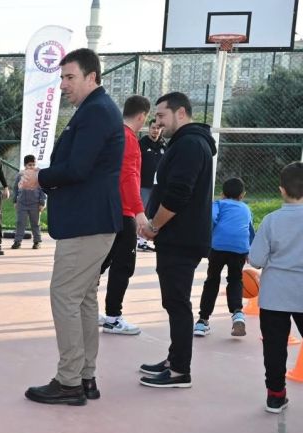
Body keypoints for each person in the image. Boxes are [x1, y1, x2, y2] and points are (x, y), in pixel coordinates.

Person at [23, 48, 124, 406]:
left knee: (65, 295)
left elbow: (78, 168)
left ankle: (69, 382)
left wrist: (39, 178)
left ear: (91, 77)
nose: (63, 84)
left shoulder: (96, 111)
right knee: (82, 298)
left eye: (70, 77)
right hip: (92, 221)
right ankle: (84, 377)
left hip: (87, 224)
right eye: (61, 78)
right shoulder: (97, 109)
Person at [138, 92, 217, 389]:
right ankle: (175, 360)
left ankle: (180, 371)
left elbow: (179, 193)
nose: (157, 121)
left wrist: (154, 226)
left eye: (161, 115)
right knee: (174, 301)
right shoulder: (186, 143)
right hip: (178, 237)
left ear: (180, 112)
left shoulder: (190, 144)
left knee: (178, 302)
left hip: (181, 238)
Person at [249, 162, 303, 413]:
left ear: (281, 190)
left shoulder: (271, 221)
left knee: (274, 347)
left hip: (274, 295)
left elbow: (256, 259)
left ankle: (275, 395)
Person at [98, 95, 151, 336]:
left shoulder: (113, 135)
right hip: (123, 211)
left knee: (101, 262)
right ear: (142, 116)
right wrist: (139, 212)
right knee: (123, 265)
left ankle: (87, 308)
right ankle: (113, 317)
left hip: (108, 209)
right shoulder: (128, 139)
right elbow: (128, 176)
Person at [194, 177, 255, 338]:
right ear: (242, 195)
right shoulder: (246, 208)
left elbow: (211, 219)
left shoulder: (218, 204)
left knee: (212, 279)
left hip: (218, 247)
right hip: (240, 248)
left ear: (222, 194)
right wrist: (250, 250)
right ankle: (237, 313)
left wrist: (206, 238)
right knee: (235, 279)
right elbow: (250, 230)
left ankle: (203, 321)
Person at [137, 118, 166, 252]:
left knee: (153, 213)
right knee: (141, 212)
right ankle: (138, 239)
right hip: (144, 184)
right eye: (153, 128)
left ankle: (145, 240)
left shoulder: (164, 145)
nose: (155, 130)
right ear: (149, 129)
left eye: (158, 128)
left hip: (159, 186)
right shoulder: (141, 144)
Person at [11, 154, 46, 249]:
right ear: (25, 165)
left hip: (35, 203)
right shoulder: (20, 175)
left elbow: (43, 189)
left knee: (35, 223)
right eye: (29, 165)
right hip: (22, 203)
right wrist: (15, 201)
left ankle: (37, 241)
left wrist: (42, 202)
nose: (32, 167)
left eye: (33, 165)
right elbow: (15, 188)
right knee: (20, 222)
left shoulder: (38, 175)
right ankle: (17, 241)